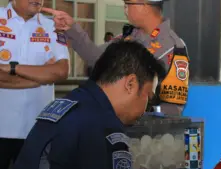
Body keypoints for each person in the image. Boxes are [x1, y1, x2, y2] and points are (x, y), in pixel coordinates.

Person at [0, 40, 209, 169]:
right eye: (148, 96)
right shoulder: (104, 126)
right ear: (130, 84)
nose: (146, 107)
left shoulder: (67, 105)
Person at [41, 0, 189, 116]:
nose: (125, 10)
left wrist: (142, 120)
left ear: (143, 6)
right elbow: (97, 58)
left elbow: (172, 108)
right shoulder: (128, 36)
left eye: (127, 4)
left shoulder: (173, 47)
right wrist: (71, 28)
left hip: (144, 135)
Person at [0, 0, 69, 169]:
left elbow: (61, 71)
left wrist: (12, 68)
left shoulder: (52, 26)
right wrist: (39, 77)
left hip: (38, 131)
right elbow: (50, 74)